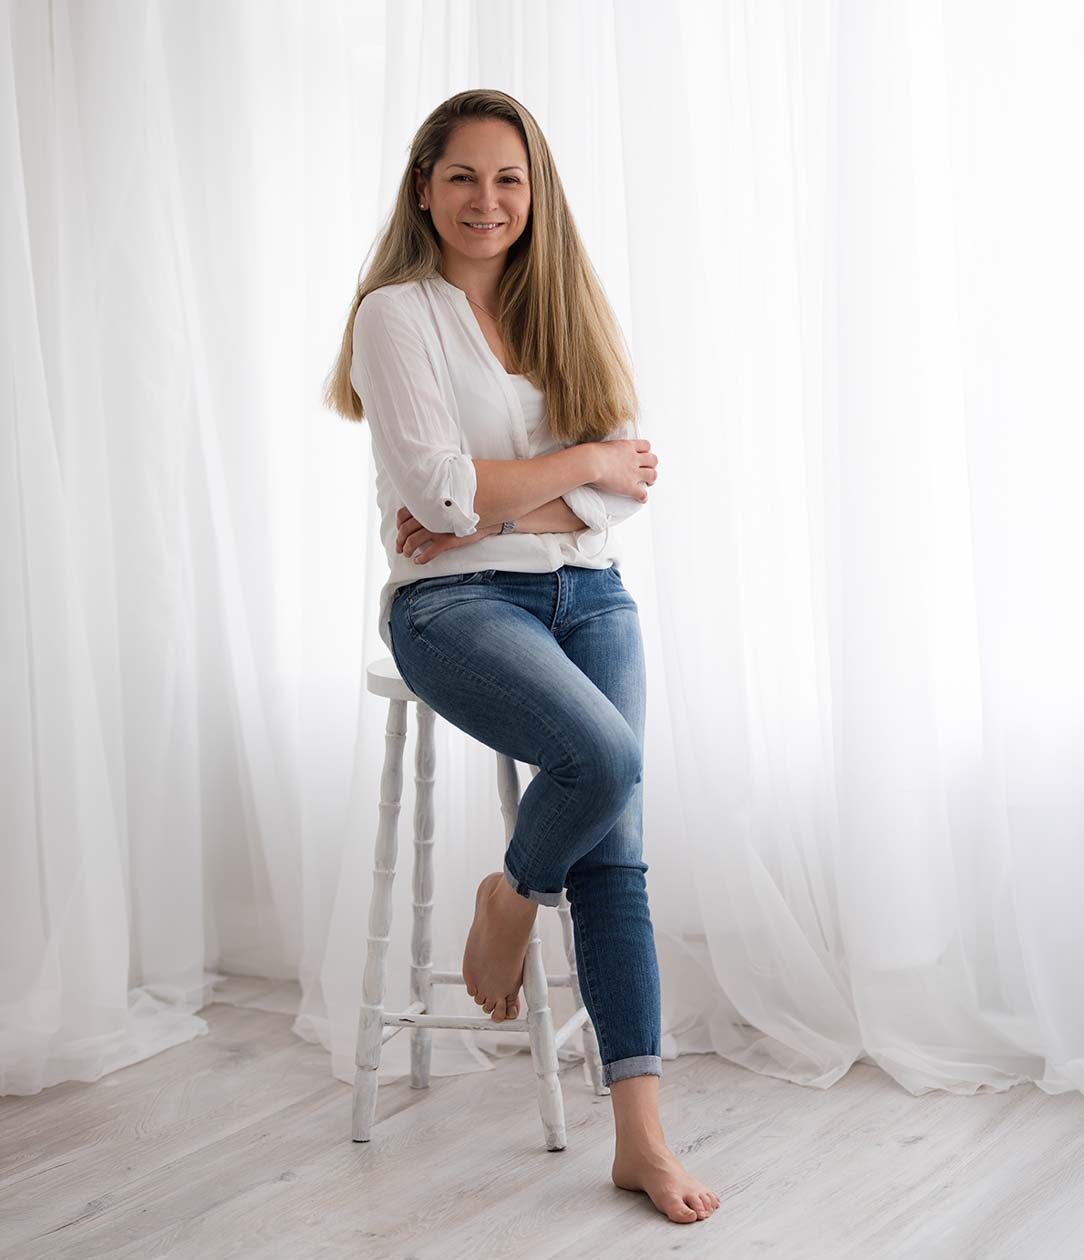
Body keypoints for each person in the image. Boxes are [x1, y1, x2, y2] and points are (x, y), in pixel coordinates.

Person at [325, 89, 718, 1226]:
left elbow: (624, 491)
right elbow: (438, 497)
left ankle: (637, 1136)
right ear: (424, 188)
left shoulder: (570, 311)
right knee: (605, 761)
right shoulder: (396, 316)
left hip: (589, 595)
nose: (485, 200)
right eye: (462, 177)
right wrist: (566, 479)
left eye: (507, 179)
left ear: (534, 193)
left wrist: (538, 491)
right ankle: (512, 892)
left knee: (618, 850)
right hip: (451, 606)